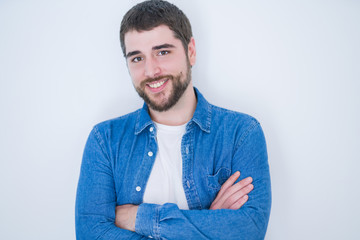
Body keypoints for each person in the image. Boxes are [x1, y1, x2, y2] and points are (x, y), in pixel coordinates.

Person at [75, 0, 271, 239]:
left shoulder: (241, 133)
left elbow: (249, 230)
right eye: (137, 58)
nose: (150, 71)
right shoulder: (105, 140)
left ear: (191, 52)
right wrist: (210, 220)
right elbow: (91, 234)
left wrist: (136, 217)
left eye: (163, 52)